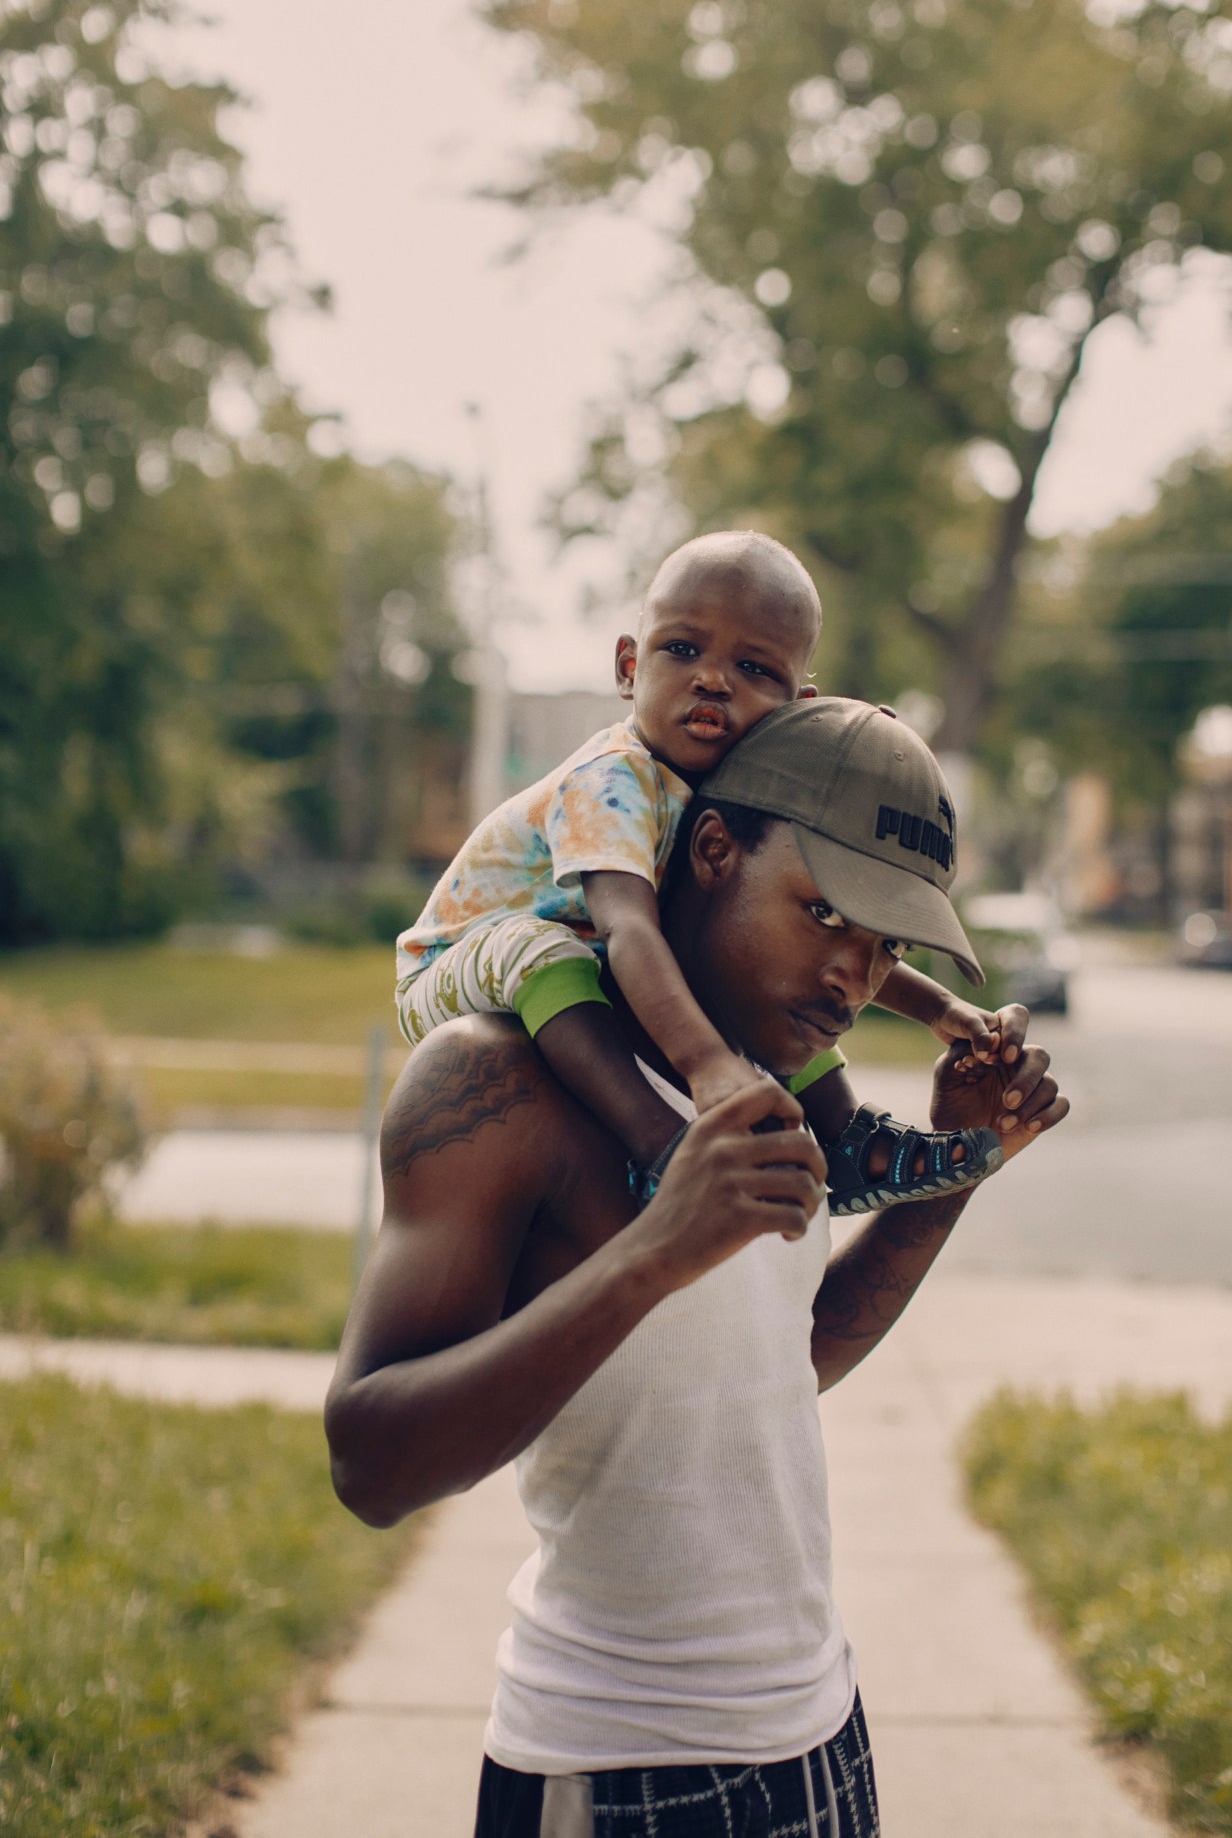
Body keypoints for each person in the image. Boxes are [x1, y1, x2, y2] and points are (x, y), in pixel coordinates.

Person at [326, 696, 1070, 1836]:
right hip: (617, 1764)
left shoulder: (776, 1089)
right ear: (713, 851)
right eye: (822, 913)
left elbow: (785, 1360)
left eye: (883, 946)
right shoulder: (498, 1084)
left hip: (821, 1733)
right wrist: (657, 1249)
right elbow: (371, 1464)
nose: (849, 977)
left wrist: (959, 1164)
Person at [396, 531, 1004, 1209]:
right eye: (681, 649)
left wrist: (939, 1009)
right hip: (455, 961)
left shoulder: (723, 795)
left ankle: (853, 1146)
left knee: (767, 970)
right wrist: (707, 1065)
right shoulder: (612, 779)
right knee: (541, 949)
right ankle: (658, 1143)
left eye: (754, 669)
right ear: (629, 667)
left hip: (581, 953)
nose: (713, 678)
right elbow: (627, 929)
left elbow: (836, 932)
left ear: (795, 711)